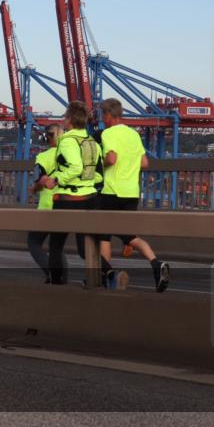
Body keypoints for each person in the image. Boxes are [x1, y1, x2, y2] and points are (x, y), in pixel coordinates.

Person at [41, 101, 122, 287]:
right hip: (91, 199)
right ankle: (108, 271)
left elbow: (75, 168)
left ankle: (56, 283)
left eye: (65, 117)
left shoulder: (67, 141)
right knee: (86, 247)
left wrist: (55, 180)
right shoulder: (92, 142)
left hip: (68, 199)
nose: (63, 120)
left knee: (56, 245)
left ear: (69, 120)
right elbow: (98, 173)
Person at [98, 98, 170, 292]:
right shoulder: (133, 134)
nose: (102, 120)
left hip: (112, 191)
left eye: (102, 116)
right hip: (131, 192)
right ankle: (156, 264)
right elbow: (145, 163)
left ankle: (107, 276)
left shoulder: (108, 133)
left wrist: (101, 164)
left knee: (103, 235)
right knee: (130, 236)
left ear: (108, 115)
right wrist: (128, 166)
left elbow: (111, 159)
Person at [27, 124, 67, 282]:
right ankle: (62, 278)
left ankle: (50, 273)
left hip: (46, 206)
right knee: (57, 246)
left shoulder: (43, 157)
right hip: (65, 204)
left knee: (34, 242)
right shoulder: (69, 155)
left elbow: (40, 180)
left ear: (48, 137)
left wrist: (33, 189)